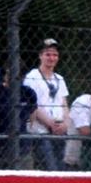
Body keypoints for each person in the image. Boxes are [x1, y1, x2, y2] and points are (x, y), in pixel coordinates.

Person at [23, 38, 69, 170]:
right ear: (40, 55)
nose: (51, 58)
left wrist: (65, 124)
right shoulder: (32, 77)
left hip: (60, 131)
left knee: (62, 168)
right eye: (48, 54)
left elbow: (64, 104)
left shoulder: (59, 79)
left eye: (55, 55)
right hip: (41, 131)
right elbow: (32, 104)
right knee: (50, 168)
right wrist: (50, 124)